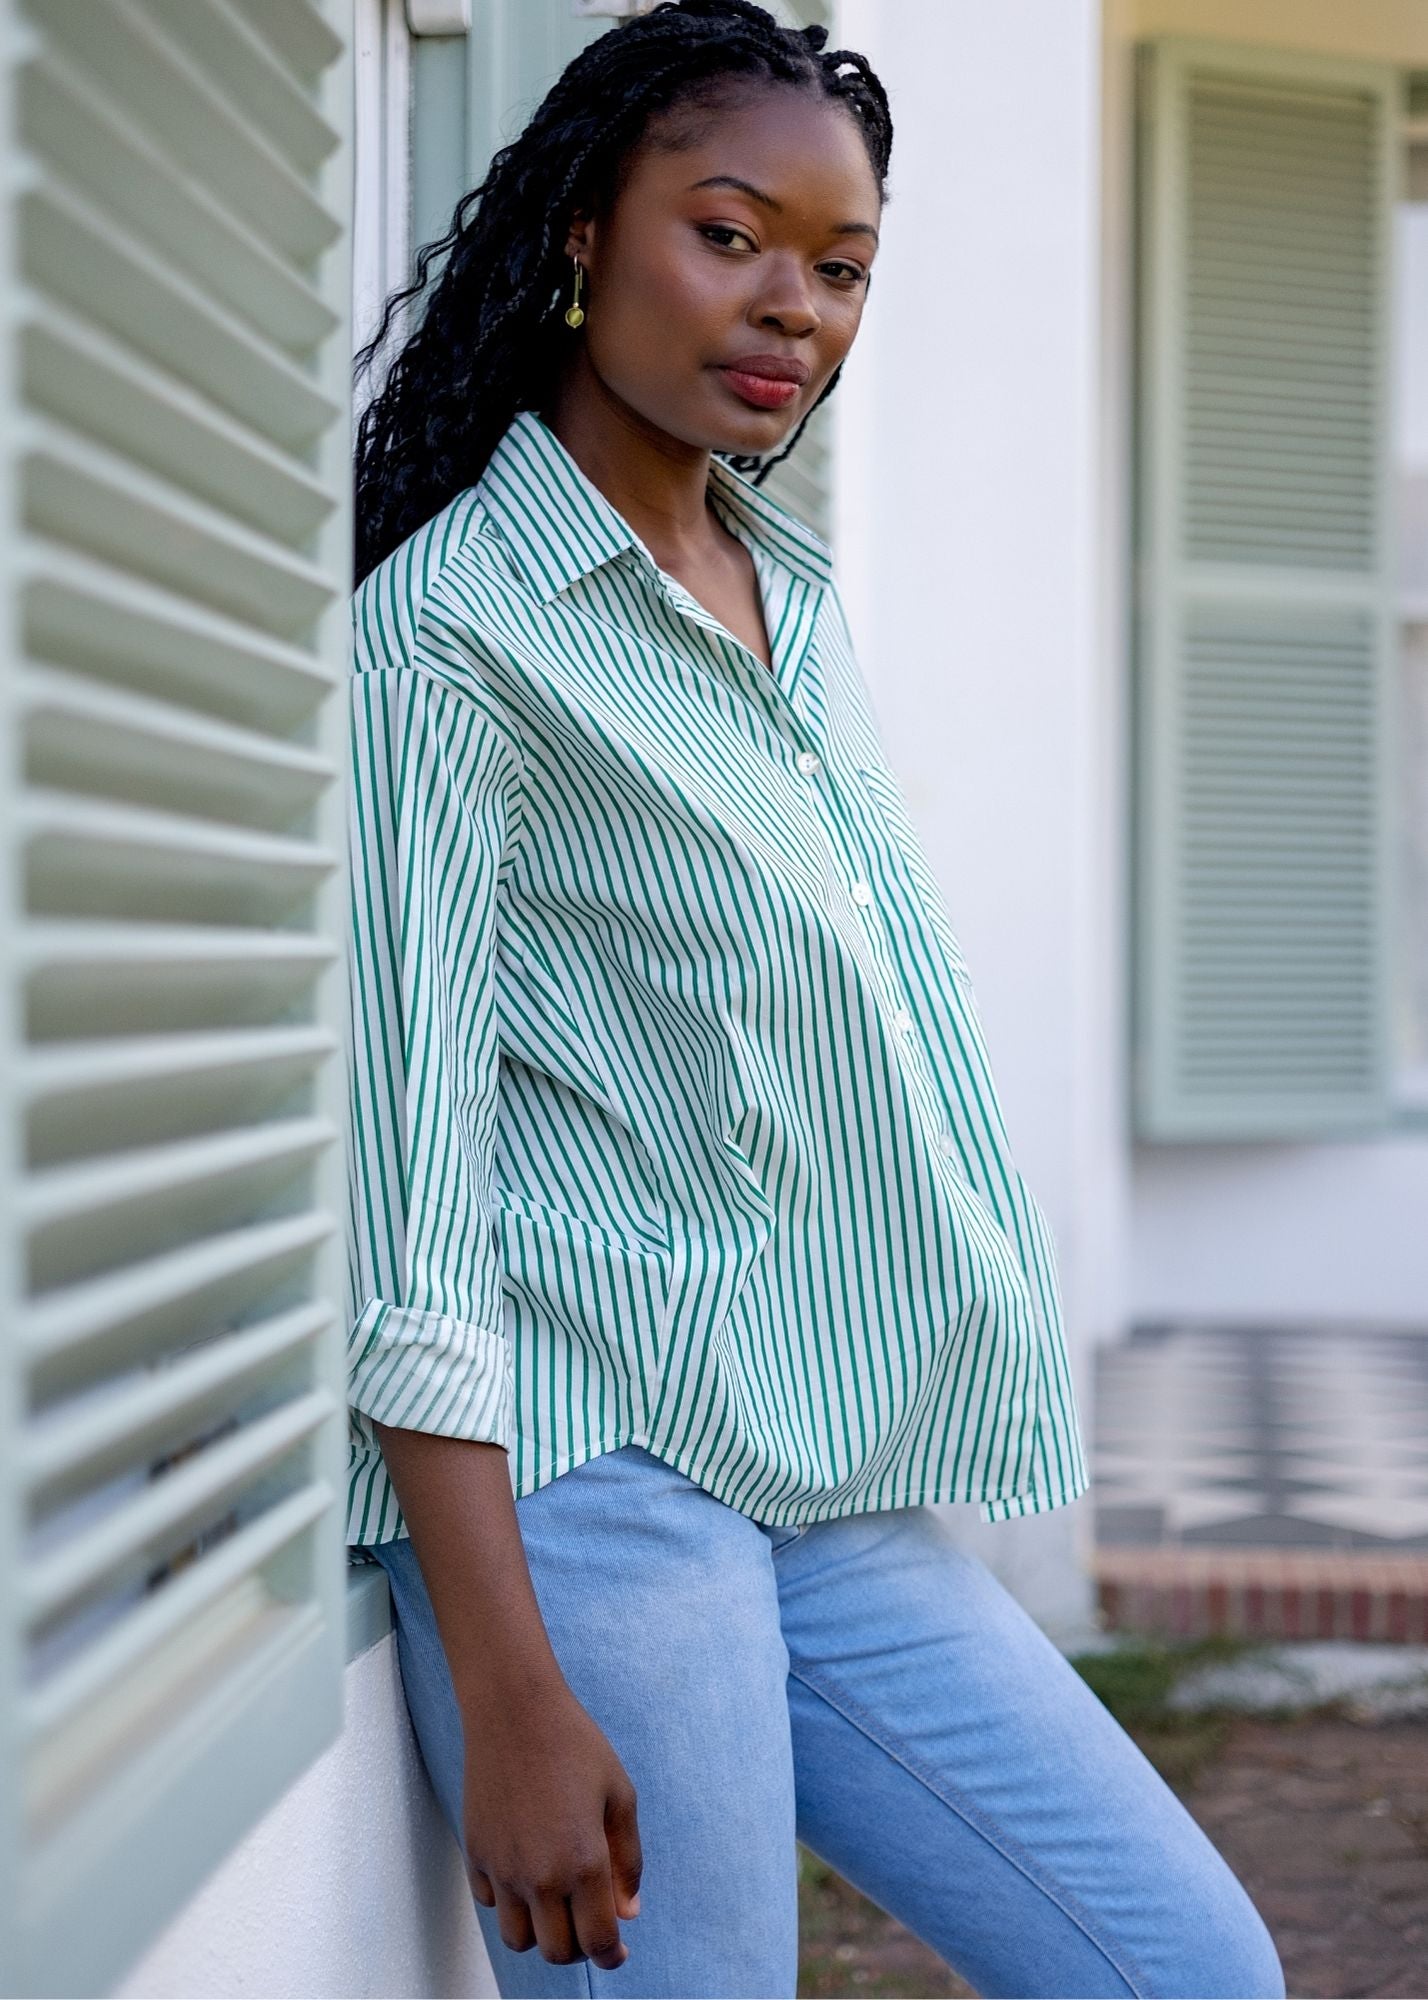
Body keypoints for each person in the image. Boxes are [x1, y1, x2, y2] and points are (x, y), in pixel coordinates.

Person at [344, 4, 1285, 1994]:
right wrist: (510, 1688)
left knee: (1187, 1963)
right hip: (591, 1494)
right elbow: (409, 1203)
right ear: (583, 237)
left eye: (840, 265)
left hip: (812, 1470)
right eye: (729, 233)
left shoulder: (785, 592)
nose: (793, 306)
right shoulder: (448, 642)